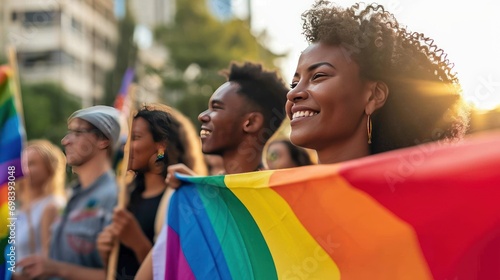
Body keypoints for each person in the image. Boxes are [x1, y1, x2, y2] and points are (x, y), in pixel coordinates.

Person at [135, 61, 289, 279]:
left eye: (216, 108)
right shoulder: (196, 200)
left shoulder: (280, 201)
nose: (202, 116)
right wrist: (200, 192)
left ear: (251, 122)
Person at [286, 1, 469, 165]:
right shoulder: (273, 198)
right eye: (294, 83)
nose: (293, 94)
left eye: (318, 76)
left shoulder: (415, 199)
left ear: (374, 95)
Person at [96, 104, 206, 279]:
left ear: (161, 146)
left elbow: (176, 267)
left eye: (136, 137)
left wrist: (137, 243)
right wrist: (105, 251)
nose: (126, 146)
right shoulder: (126, 195)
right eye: (127, 138)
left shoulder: (178, 197)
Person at [17, 105, 121, 280]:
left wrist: (57, 269)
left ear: (104, 140)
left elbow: (122, 275)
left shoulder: (114, 197)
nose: (65, 141)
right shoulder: (73, 196)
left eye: (78, 133)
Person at [14, 140, 66, 273]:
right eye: (23, 163)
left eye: (31, 163)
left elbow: (48, 263)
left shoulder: (52, 206)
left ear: (49, 168)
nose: (24, 169)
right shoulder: (20, 207)